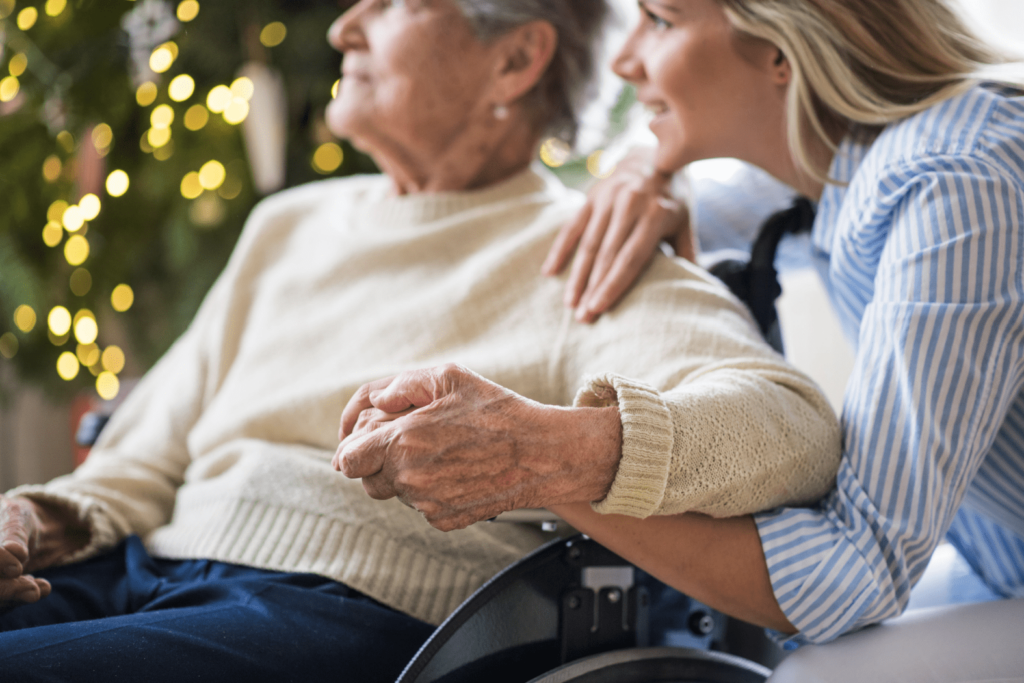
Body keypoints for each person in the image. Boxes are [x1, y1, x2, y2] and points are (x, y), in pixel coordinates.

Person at [0, 1, 842, 681]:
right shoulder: (288, 224)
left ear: (515, 60)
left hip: (342, 613)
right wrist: (32, 518)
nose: (344, 27)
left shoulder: (587, 250)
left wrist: (546, 451)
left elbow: (792, 427)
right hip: (135, 571)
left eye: (396, 2)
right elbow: (137, 460)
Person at [336, 0, 1024, 677]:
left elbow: (857, 568)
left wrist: (534, 461)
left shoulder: (952, 188)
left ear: (780, 47)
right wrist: (648, 168)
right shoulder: (840, 161)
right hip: (997, 565)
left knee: (822, 673)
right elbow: (688, 195)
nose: (624, 57)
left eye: (660, 20)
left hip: (989, 574)